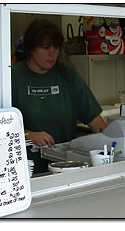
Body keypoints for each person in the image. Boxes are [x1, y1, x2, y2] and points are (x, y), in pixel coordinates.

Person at [12, 19, 106, 175]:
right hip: (27, 169)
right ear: (31, 49)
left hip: (66, 166)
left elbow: (96, 122)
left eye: (56, 48)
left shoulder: (68, 75)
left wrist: (112, 148)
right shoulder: (12, 77)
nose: (52, 53)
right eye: (45, 47)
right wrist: (29, 135)